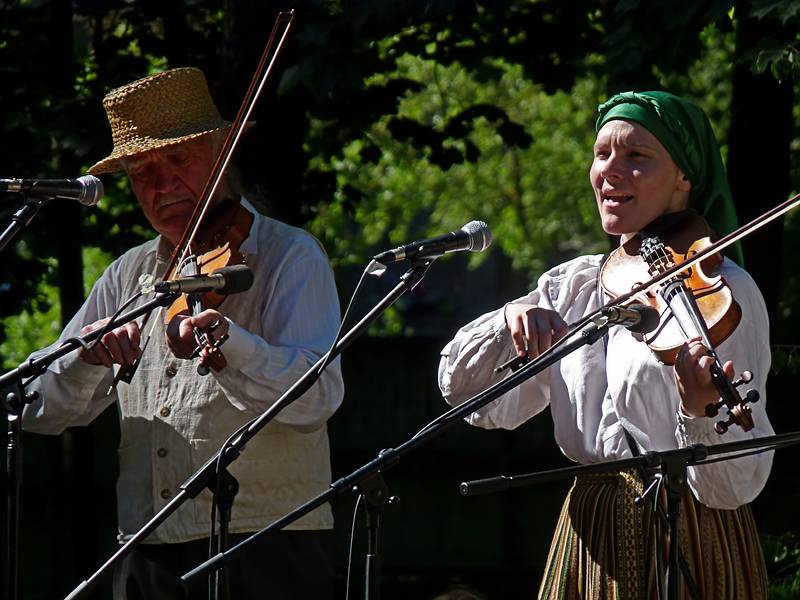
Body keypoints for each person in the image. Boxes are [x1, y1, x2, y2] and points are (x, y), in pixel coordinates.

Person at [22, 67, 344, 599]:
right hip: (146, 547)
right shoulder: (129, 275)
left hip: (265, 546)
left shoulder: (290, 255)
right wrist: (88, 358)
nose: (160, 183)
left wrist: (232, 345)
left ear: (221, 154)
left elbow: (318, 398)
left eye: (177, 159)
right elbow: (35, 408)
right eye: (140, 170)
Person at [438, 91, 774, 599]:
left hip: (693, 534)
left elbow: (734, 487)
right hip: (590, 532)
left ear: (685, 178)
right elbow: (472, 400)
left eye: (637, 157)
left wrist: (699, 412)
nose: (610, 171)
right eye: (602, 155)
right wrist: (510, 322)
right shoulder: (570, 288)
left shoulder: (724, 292)